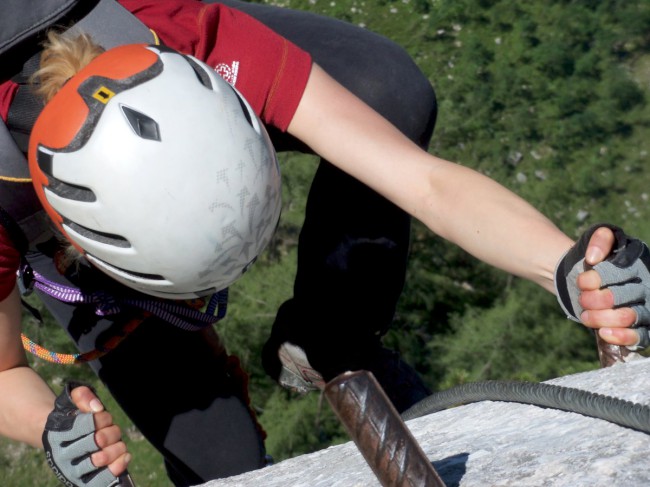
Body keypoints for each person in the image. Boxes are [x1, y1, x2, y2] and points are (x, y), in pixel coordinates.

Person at [0, 1, 647, 487]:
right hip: (49, 239)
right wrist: (57, 430)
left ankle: (328, 335)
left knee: (382, 89)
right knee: (222, 462)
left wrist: (565, 269)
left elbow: (419, 183)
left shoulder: (186, 38)